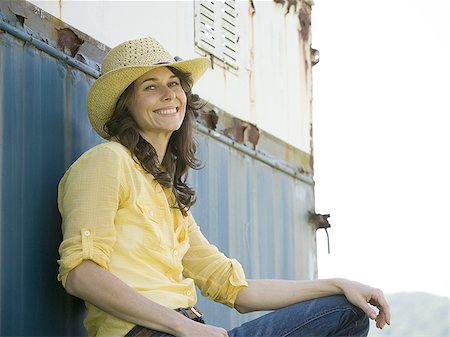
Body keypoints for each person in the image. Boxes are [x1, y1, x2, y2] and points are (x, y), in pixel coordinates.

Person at [57, 36, 391, 337]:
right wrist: (182, 326)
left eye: (174, 83)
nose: (169, 94)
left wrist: (338, 284)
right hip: (152, 333)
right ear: (126, 103)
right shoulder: (107, 161)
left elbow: (238, 291)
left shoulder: (166, 194)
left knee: (345, 311)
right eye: (151, 87)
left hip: (189, 330)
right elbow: (81, 274)